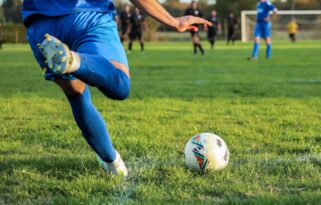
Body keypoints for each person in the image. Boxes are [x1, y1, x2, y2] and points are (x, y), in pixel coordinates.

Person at [22, 0, 211, 177]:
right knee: (119, 84)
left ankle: (112, 162)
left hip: (41, 27)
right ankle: (75, 61)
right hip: (87, 16)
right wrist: (172, 21)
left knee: (76, 94)